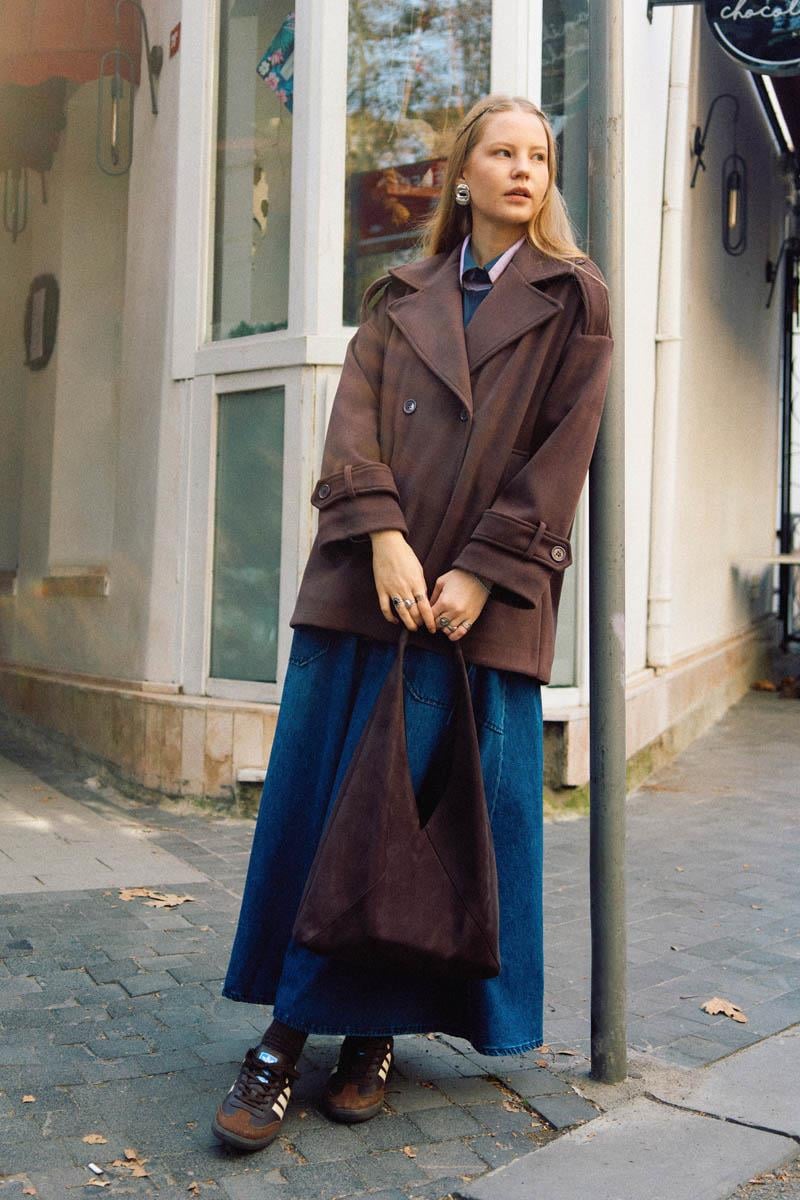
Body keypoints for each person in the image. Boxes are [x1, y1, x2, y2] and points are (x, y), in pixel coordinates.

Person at [212, 93, 614, 1153]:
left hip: (470, 615)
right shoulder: (397, 296)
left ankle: (364, 1036)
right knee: (327, 814)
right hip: (366, 595)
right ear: (462, 175)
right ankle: (285, 1037)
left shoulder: (575, 298)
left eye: (538, 156)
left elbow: (562, 455)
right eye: (501, 152)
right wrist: (384, 538)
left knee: (419, 831)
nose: (522, 170)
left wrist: (480, 573)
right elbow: (352, 431)